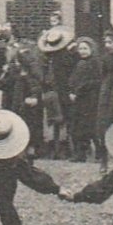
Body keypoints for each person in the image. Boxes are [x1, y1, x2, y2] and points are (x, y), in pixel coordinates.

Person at [36, 26, 76, 158]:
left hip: (55, 92)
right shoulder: (66, 57)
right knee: (61, 120)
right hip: (58, 92)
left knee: (54, 120)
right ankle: (61, 149)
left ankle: (57, 148)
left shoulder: (52, 58)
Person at [64, 37, 104, 163]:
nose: (82, 51)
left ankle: (100, 153)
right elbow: (73, 80)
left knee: (91, 127)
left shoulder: (96, 63)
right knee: (79, 127)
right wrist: (72, 91)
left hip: (90, 99)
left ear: (92, 49)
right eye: (80, 49)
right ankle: (80, 154)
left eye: (85, 48)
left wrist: (79, 90)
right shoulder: (80, 63)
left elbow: (96, 81)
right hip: (79, 99)